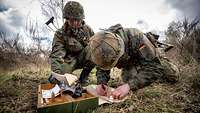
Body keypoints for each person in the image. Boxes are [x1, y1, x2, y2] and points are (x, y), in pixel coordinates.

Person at [88, 24, 178, 99]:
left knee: (172, 75)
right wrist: (101, 83)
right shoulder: (101, 43)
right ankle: (140, 75)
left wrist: (129, 86)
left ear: (120, 50)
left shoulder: (137, 38)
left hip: (148, 58)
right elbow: (103, 65)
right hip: (130, 63)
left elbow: (154, 67)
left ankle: (161, 64)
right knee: (128, 79)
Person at [49, 1, 94, 84]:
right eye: (72, 20)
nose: (75, 23)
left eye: (78, 20)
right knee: (57, 78)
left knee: (93, 50)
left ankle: (84, 77)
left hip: (84, 57)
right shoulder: (60, 34)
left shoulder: (88, 30)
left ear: (82, 19)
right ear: (67, 19)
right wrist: (57, 73)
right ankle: (63, 76)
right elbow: (57, 55)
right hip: (69, 60)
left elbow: (97, 49)